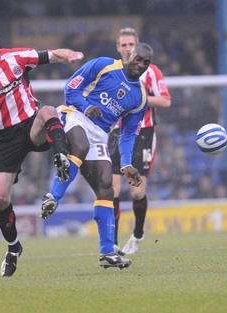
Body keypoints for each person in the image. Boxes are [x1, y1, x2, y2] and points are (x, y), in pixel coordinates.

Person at [0, 28, 84, 277]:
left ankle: (61, 156)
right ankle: (13, 248)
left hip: (30, 124)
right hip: (4, 139)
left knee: (49, 111)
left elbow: (51, 55)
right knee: (1, 198)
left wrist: (69, 55)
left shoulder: (17, 57)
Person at [40, 42, 154, 269]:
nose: (140, 65)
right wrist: (85, 107)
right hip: (75, 115)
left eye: (146, 63)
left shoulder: (140, 97)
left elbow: (127, 134)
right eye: (138, 58)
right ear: (129, 54)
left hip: (100, 134)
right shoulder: (104, 65)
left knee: (106, 186)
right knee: (79, 147)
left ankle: (107, 252)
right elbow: (70, 89)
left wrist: (127, 164)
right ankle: (53, 197)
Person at [108, 28, 171, 254]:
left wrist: (140, 100)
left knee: (136, 192)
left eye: (130, 45)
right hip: (116, 133)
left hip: (143, 133)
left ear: (137, 46)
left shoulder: (151, 71)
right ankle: (113, 243)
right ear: (118, 47)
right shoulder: (112, 71)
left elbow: (165, 101)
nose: (127, 49)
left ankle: (137, 234)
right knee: (111, 190)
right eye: (123, 45)